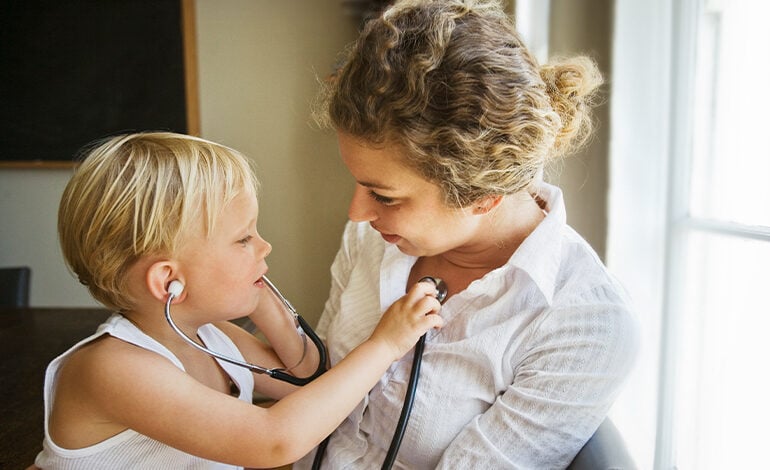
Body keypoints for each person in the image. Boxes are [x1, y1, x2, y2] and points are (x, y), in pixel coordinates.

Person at [294, 0, 639, 468]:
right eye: (358, 183)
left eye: (385, 196)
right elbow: (320, 385)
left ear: (483, 195)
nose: (357, 214)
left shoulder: (582, 326)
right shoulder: (377, 237)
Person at [32, 132, 444, 469]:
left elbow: (308, 379)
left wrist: (262, 302)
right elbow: (274, 441)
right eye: (243, 239)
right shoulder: (113, 368)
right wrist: (385, 345)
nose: (265, 246)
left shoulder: (214, 339)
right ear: (169, 281)